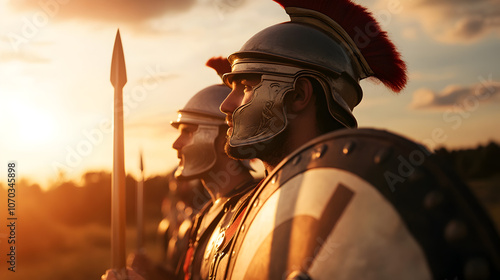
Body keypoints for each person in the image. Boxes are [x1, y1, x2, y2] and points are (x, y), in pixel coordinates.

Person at [214, 0, 500, 279]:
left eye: (246, 86)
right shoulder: (254, 210)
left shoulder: (374, 218)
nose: (225, 106)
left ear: (299, 95)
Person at [102, 57, 260, 280]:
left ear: (223, 132)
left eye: (187, 131)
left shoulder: (259, 206)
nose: (176, 144)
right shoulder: (204, 215)